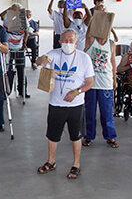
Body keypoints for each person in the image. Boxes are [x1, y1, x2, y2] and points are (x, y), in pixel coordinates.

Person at [35, 30, 93, 179]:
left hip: (76, 105)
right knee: (52, 135)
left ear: (76, 42)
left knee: (76, 136)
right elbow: (38, 62)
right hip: (56, 104)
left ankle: (76, 164)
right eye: (65, 40)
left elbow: (90, 82)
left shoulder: (84, 58)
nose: (68, 43)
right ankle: (51, 161)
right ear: (60, 42)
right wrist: (42, 59)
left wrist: (76, 92)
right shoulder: (54, 54)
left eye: (71, 40)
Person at [82, 21, 118, 148]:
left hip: (106, 83)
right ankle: (88, 135)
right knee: (90, 111)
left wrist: (114, 79)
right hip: (91, 83)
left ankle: (110, 136)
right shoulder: (91, 40)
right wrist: (96, 18)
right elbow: (88, 33)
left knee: (107, 112)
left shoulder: (111, 44)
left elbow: (113, 62)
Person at [0, 3, 29, 98]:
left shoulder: (23, 19)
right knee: (8, 69)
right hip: (8, 48)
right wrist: (9, 9)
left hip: (19, 48)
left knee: (21, 69)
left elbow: (27, 32)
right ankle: (7, 91)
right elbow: (1, 15)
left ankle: (22, 91)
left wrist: (24, 42)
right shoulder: (7, 17)